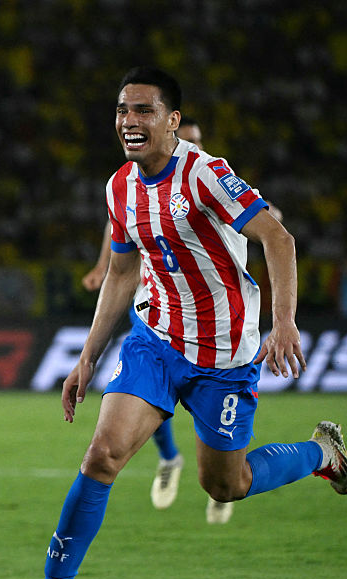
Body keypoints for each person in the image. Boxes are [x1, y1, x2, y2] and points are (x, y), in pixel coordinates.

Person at [2, 67, 347, 579]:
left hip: (225, 354)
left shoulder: (206, 173)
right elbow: (121, 270)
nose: (129, 121)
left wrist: (284, 322)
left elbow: (279, 239)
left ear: (172, 121)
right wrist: (88, 356)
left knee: (226, 484)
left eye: (143, 110)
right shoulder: (118, 187)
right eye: (122, 110)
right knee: (102, 456)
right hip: (156, 340)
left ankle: (320, 453)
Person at [81, 117, 251, 524]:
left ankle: (221, 478)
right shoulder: (129, 187)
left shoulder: (212, 180)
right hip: (154, 312)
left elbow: (271, 228)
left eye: (193, 141)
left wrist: (282, 317)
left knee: (223, 475)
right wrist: (103, 267)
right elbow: (116, 229)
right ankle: (169, 457)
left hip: (215, 327)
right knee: (138, 393)